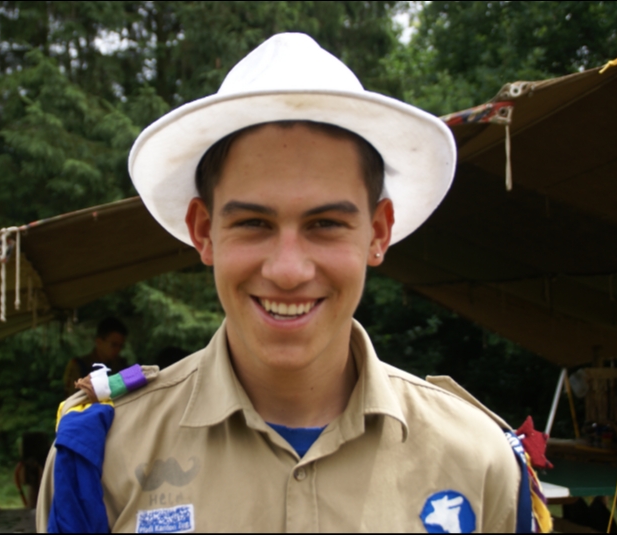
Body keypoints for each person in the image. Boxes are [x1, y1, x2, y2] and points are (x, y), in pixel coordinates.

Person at [39, 33, 548, 533]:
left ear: (377, 233)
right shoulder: (103, 459)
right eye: (253, 223)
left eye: (325, 224)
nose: (288, 270)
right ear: (204, 231)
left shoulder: (476, 460)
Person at [62, 317, 128, 397]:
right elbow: (71, 399)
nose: (118, 350)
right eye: (114, 345)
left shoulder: (120, 365)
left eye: (121, 346)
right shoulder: (78, 366)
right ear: (99, 342)